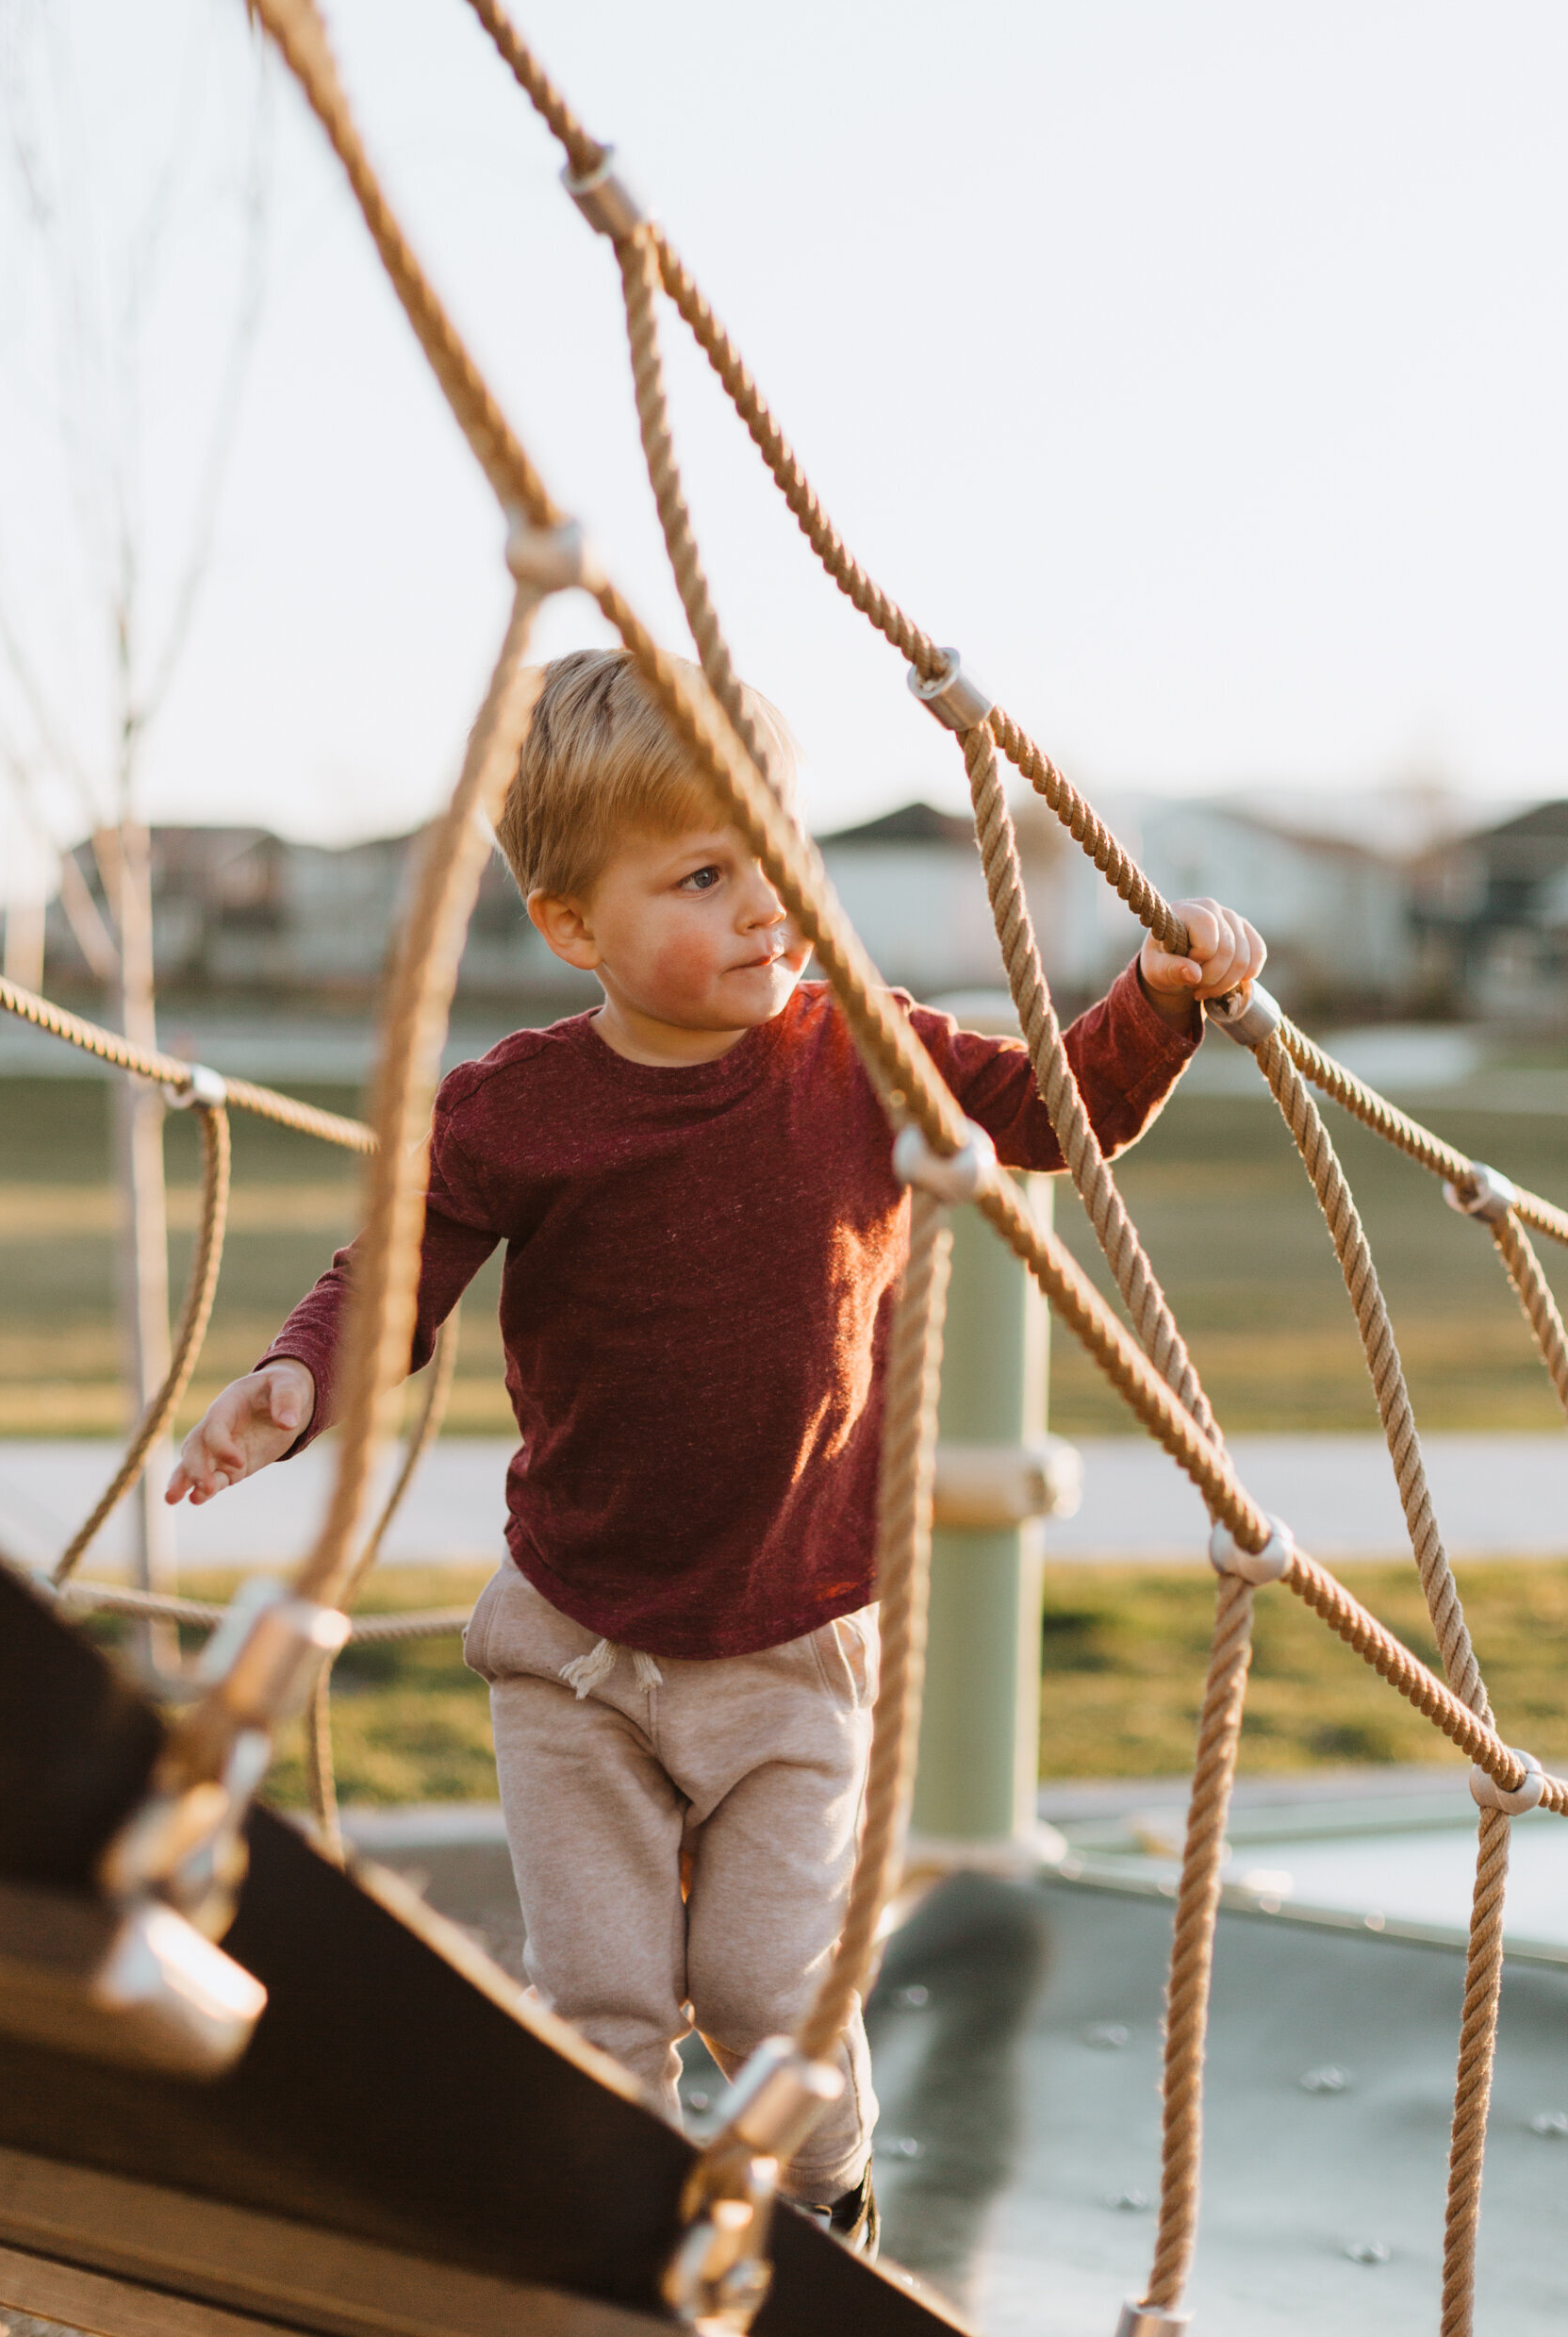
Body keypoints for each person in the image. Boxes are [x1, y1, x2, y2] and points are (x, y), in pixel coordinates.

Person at [167, 648, 1264, 2253]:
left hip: (793, 1643)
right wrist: (292, 1379)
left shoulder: (866, 1054)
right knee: (602, 2003)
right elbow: (393, 1265)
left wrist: (1159, 1005)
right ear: (571, 928)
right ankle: (611, 2262)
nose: (767, 907)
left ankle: (826, 2221)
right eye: (702, 875)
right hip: (574, 1644)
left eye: (782, 858)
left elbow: (1045, 1116)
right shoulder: (516, 1109)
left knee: (773, 2001)